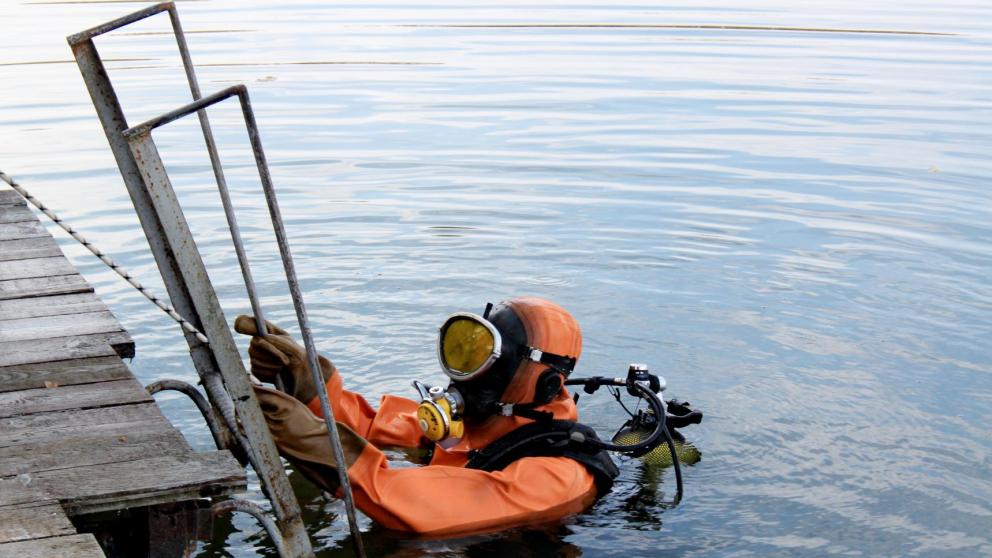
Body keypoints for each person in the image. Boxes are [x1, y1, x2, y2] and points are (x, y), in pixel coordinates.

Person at [235, 297, 619, 537]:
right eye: (466, 353)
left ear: (546, 385)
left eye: (487, 360)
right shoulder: (474, 424)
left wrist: (311, 440)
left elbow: (417, 509)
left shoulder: (555, 476)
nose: (468, 375)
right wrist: (306, 381)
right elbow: (371, 425)